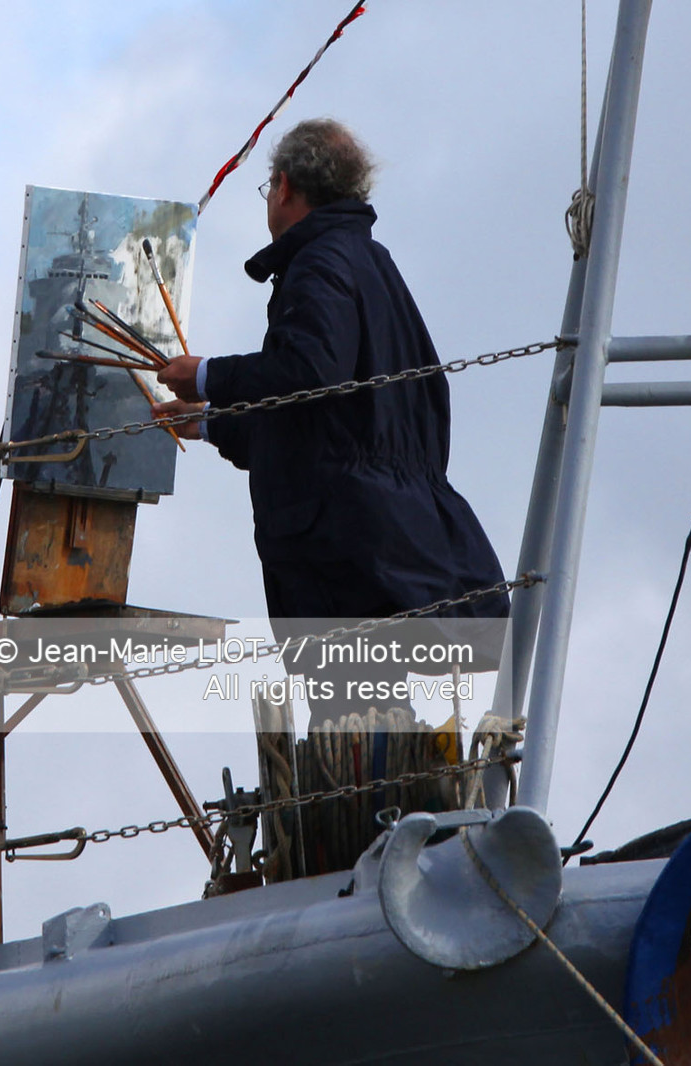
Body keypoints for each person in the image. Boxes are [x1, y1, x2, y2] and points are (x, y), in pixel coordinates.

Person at [154, 118, 508, 726]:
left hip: (342, 550)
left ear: (285, 186)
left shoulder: (320, 263)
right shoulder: (372, 264)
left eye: (268, 185)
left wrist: (208, 373)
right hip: (387, 537)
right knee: (380, 732)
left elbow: (311, 371)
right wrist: (212, 422)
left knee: (351, 735)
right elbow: (325, 417)